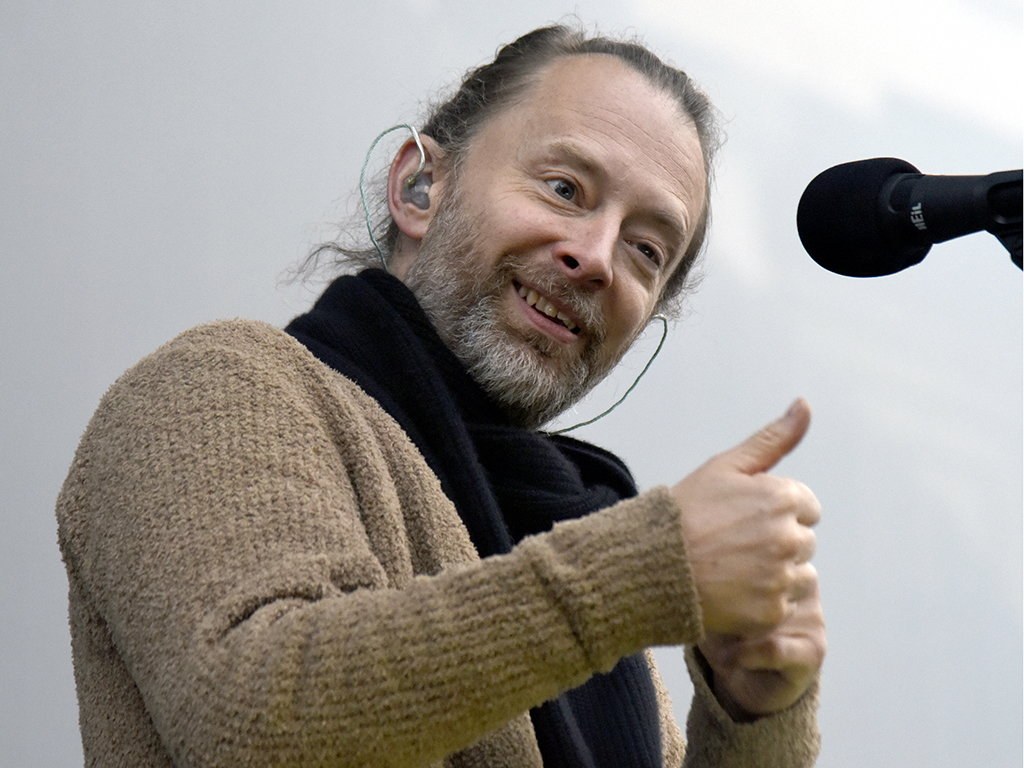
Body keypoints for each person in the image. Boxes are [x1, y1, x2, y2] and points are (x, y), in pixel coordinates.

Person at [56, 24, 825, 767]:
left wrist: (755, 717)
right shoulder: (218, 387)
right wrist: (647, 568)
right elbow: (254, 720)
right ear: (419, 188)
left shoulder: (582, 565)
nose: (595, 258)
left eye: (646, 249)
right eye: (564, 189)